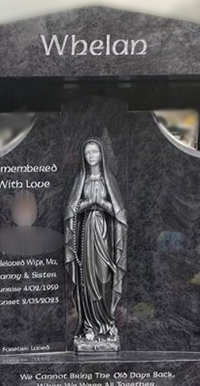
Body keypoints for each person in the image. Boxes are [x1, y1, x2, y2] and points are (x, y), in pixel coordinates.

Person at [64, 138, 127, 350]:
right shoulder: (80, 180)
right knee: (87, 280)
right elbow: (71, 209)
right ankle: (89, 325)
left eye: (95, 152)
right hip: (86, 234)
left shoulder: (108, 180)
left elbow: (119, 212)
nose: (91, 156)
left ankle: (108, 323)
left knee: (103, 277)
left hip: (105, 234)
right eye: (88, 152)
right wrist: (85, 205)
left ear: (101, 155)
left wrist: (101, 204)